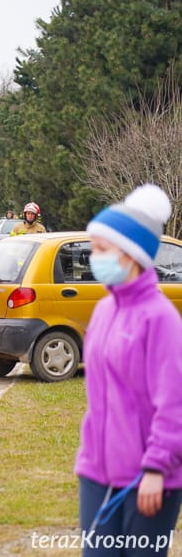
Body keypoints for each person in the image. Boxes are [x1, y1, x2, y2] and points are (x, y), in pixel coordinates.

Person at [76, 184, 182, 557]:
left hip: (147, 479)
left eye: (102, 249)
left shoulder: (161, 319)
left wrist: (157, 469)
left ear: (131, 255)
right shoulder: (105, 309)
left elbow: (175, 405)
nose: (94, 257)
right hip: (96, 473)